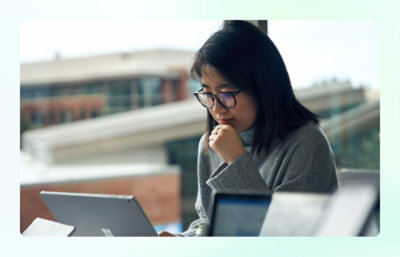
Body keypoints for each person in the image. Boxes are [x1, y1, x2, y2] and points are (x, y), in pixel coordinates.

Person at [159, 20, 338, 237]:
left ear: (262, 87)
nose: (216, 108)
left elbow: (282, 234)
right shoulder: (210, 144)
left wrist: (236, 161)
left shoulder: (307, 143)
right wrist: (182, 240)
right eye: (208, 94)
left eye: (226, 94)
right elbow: (207, 221)